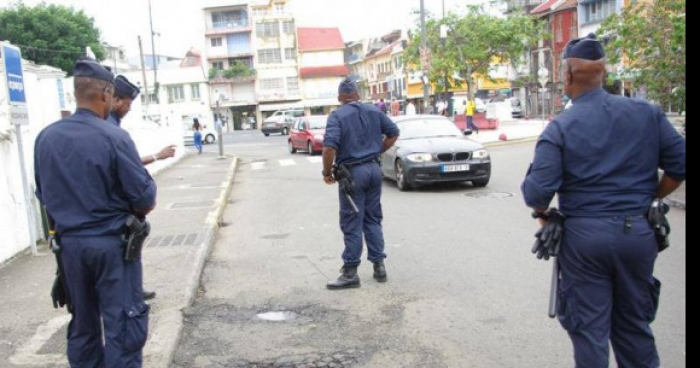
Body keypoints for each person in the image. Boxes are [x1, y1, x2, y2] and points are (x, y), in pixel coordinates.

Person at [521, 33, 686, 368]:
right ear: (604, 72)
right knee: (634, 327)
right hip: (638, 234)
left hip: (585, 242)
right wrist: (648, 199)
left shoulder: (561, 126)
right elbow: (680, 165)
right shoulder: (648, 113)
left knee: (590, 332)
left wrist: (542, 214)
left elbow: (537, 192)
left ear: (567, 75)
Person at [34, 57, 157, 368]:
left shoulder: (44, 138)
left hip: (70, 248)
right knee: (124, 326)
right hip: (112, 246)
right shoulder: (114, 137)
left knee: (83, 326)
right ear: (105, 94)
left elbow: (43, 195)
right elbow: (145, 199)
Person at [322, 78, 400, 290]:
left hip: (353, 174)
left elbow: (329, 148)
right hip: (375, 171)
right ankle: (379, 266)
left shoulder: (337, 116)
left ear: (340, 98)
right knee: (373, 219)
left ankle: (350, 272)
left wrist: (327, 172)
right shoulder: (374, 111)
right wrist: (377, 150)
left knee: (352, 221)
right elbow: (394, 133)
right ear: (357, 95)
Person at [109, 75, 175, 301]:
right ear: (115, 100)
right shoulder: (111, 131)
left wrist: (157, 155)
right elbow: (129, 166)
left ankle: (132, 289)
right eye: (127, 103)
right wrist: (146, 201)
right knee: (130, 242)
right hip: (113, 213)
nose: (128, 109)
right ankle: (132, 291)